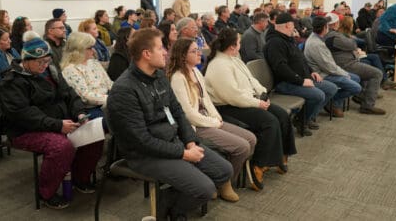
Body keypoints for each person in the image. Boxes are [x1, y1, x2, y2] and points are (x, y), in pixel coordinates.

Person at [107, 28, 233, 220]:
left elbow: (178, 113)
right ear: (146, 54)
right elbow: (141, 141)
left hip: (173, 142)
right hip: (144, 154)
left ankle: (168, 203)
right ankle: (171, 209)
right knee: (206, 189)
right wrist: (183, 153)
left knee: (224, 171)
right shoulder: (124, 89)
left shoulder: (159, 76)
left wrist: (190, 141)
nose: (166, 51)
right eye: (161, 48)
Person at [0, 31, 103, 209]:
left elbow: (70, 95)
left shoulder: (51, 72)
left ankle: (80, 178)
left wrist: (78, 113)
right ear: (25, 60)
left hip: (57, 122)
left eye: (47, 61)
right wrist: (57, 125)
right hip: (25, 129)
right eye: (40, 62)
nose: (45, 65)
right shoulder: (12, 81)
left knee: (94, 135)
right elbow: (23, 114)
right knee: (61, 147)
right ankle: (46, 192)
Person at [205, 28, 297, 191]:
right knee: (269, 122)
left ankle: (281, 155)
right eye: (239, 42)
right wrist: (257, 104)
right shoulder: (218, 65)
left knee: (282, 115)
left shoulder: (235, 59)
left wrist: (262, 93)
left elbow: (251, 79)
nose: (240, 45)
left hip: (247, 101)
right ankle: (258, 165)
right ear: (233, 46)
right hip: (228, 107)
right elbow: (232, 95)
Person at [168, 38, 256, 201]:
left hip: (208, 120)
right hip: (196, 126)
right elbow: (188, 114)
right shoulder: (178, 78)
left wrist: (216, 116)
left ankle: (225, 178)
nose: (199, 53)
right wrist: (214, 122)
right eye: (194, 51)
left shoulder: (196, 71)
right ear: (182, 56)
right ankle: (224, 182)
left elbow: (206, 100)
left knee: (251, 138)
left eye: (198, 49)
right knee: (242, 146)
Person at [264, 13, 338, 136]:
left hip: (300, 78)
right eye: (293, 24)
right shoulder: (275, 43)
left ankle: (306, 117)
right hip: (285, 82)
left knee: (331, 88)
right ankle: (301, 121)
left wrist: (311, 71)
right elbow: (280, 69)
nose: (295, 27)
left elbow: (301, 59)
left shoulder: (287, 39)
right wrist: (301, 81)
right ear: (288, 25)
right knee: (318, 95)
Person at [325, 14, 387, 115]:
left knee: (370, 66)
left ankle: (363, 95)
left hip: (347, 62)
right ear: (335, 24)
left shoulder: (334, 35)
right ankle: (367, 105)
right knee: (377, 73)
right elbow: (352, 44)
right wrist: (351, 40)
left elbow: (351, 45)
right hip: (346, 64)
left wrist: (350, 40)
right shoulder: (333, 37)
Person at [304, 16, 362, 117]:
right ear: (324, 28)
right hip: (322, 74)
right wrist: (344, 74)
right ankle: (332, 102)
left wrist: (344, 73)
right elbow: (328, 67)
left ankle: (334, 104)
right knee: (356, 87)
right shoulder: (316, 44)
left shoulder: (317, 38)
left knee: (356, 78)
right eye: (327, 26)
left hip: (326, 70)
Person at [61, 32, 113, 127]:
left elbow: (109, 84)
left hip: (107, 100)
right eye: (89, 48)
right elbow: (86, 96)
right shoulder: (71, 69)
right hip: (91, 109)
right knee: (121, 118)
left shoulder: (93, 62)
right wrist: (112, 99)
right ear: (78, 50)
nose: (93, 51)